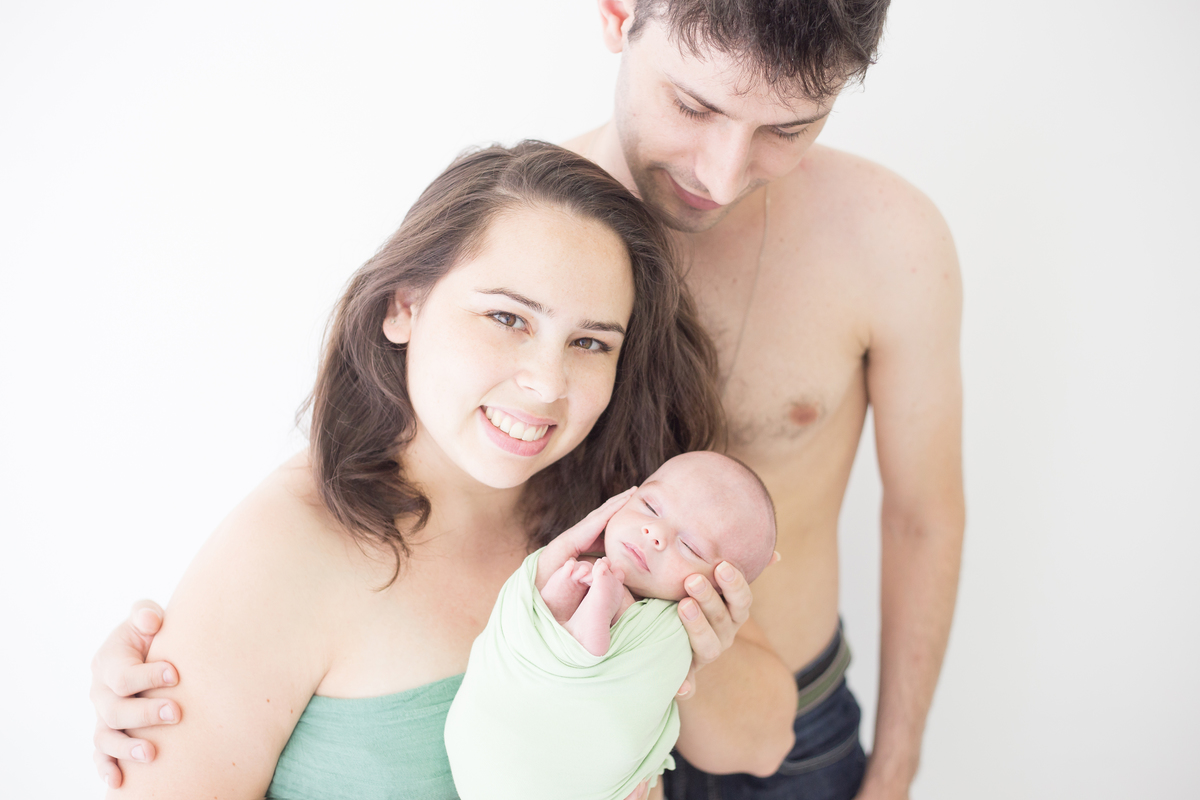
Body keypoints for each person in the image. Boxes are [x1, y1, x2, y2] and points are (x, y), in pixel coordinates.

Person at [93, 2, 966, 799]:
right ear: (620, 15)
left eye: (787, 127)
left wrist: (897, 768)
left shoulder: (882, 244)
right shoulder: (522, 218)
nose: (725, 170)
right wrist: (187, 673)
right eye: (694, 106)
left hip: (764, 711)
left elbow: (924, 516)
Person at [96, 140, 734, 799]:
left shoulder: (631, 536)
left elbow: (747, 746)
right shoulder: (282, 550)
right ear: (404, 306)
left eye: (590, 342)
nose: (547, 383)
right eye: (507, 317)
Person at [445, 451, 778, 800]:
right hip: (486, 745)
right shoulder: (575, 563)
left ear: (718, 587)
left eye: (690, 547)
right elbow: (544, 637)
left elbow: (769, 744)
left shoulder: (676, 624)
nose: (655, 534)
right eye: (650, 506)